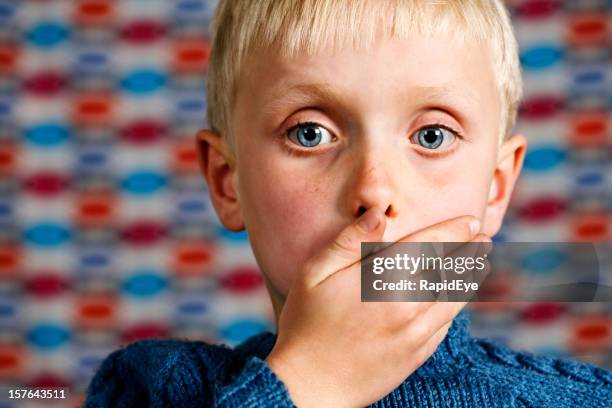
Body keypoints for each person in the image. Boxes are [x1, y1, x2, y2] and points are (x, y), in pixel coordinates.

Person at [84, 0, 612, 406]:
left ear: (496, 188)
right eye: (310, 133)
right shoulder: (150, 388)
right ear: (228, 181)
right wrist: (311, 384)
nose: (374, 190)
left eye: (432, 136)